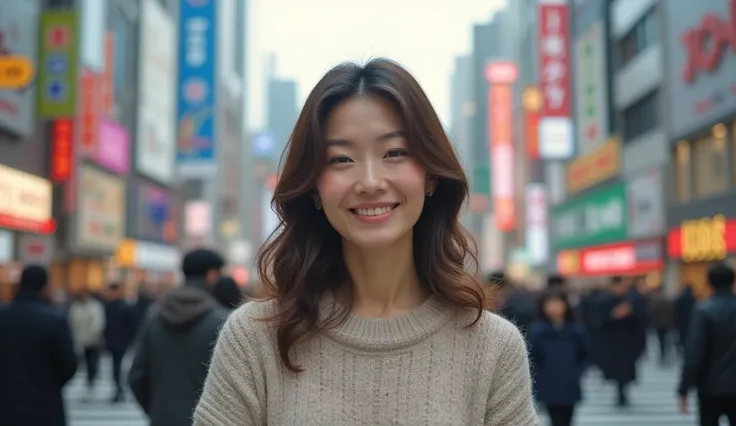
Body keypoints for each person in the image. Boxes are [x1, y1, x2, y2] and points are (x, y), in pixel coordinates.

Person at [193, 58, 536, 425]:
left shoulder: (492, 347)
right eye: (341, 159)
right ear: (313, 189)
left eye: (394, 153)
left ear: (431, 176)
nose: (370, 181)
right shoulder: (254, 339)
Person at [128, 248, 230, 426]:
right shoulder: (222, 320)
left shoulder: (155, 315)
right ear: (212, 275)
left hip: (162, 418)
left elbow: (137, 375)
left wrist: (156, 409)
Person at [0, 265, 78, 426]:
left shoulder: (3, 317)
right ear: (45, 288)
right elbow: (69, 365)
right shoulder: (54, 320)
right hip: (45, 404)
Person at [678, 263, 736, 425]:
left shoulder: (703, 310)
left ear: (709, 283)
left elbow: (694, 352)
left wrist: (684, 388)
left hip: (709, 387)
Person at [529, 290, 588, 426]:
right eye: (550, 304)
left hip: (570, 381)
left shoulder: (575, 329)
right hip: (548, 382)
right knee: (555, 419)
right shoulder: (538, 330)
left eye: (558, 304)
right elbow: (533, 357)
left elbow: (584, 354)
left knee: (568, 418)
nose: (554, 308)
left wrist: (578, 372)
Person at [597, 276, 645, 407]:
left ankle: (623, 393)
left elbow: (641, 320)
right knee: (616, 370)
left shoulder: (632, 301)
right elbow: (598, 321)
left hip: (628, 342)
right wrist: (614, 314)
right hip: (612, 342)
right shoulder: (604, 301)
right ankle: (620, 393)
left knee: (626, 370)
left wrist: (629, 312)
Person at [68, 288, 106, 400]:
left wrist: (95, 334)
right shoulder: (76, 307)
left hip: (93, 340)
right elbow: (72, 322)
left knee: (92, 361)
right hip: (80, 339)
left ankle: (92, 378)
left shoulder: (95, 306)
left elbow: (98, 323)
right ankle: (89, 380)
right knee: (85, 361)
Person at [103, 282, 136, 403]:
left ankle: (119, 390)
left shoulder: (124, 307)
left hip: (121, 342)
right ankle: (118, 389)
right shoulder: (108, 306)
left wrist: (129, 340)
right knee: (114, 367)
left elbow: (131, 325)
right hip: (112, 341)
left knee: (117, 367)